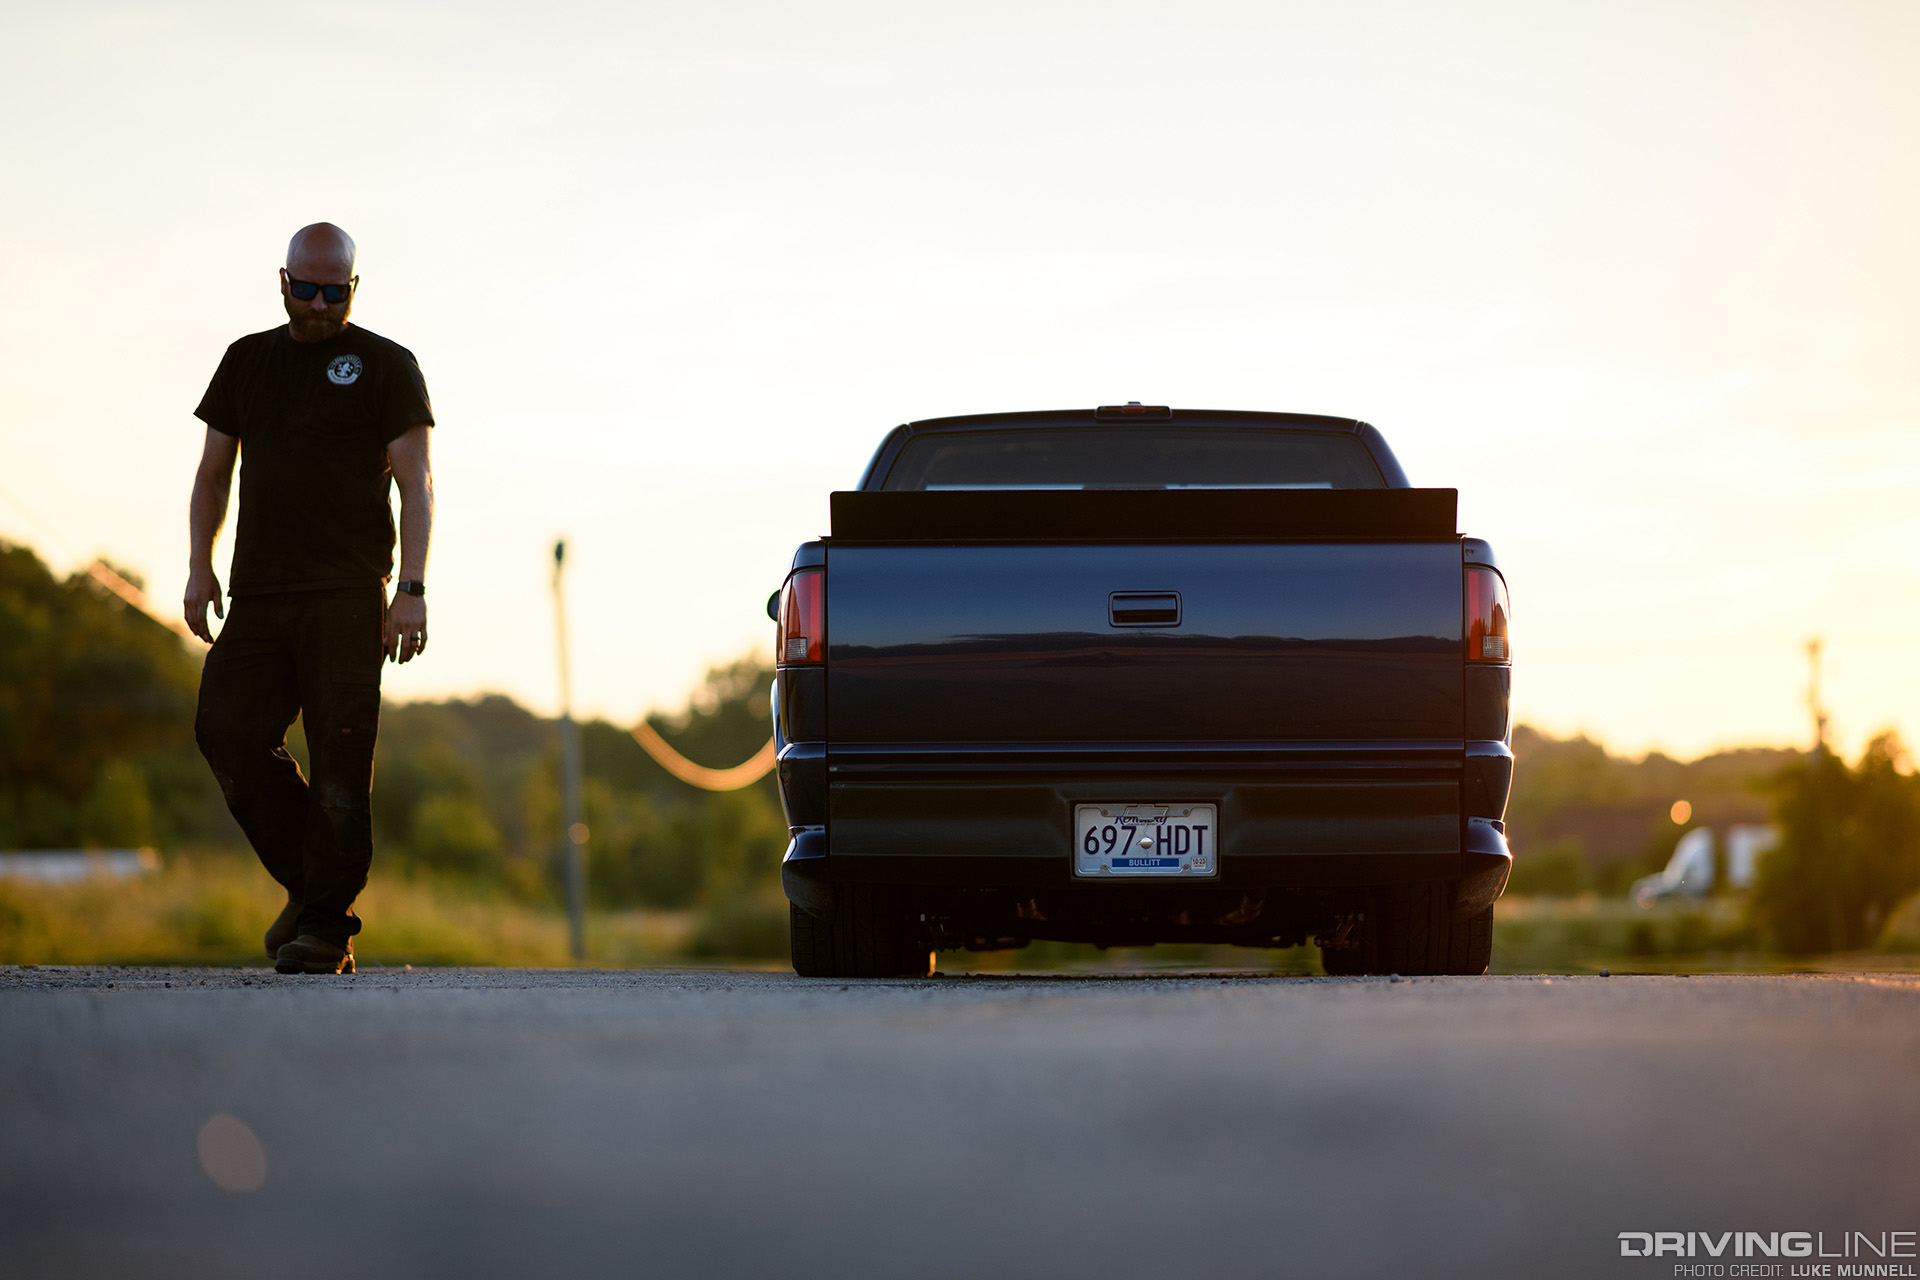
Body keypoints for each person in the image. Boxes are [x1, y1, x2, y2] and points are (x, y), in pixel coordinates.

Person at [184, 222, 435, 975]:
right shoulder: (246, 360)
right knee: (225, 731)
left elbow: (416, 481)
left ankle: (325, 930)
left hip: (349, 596)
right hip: (259, 593)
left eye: (335, 291)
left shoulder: (389, 366)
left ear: (353, 289)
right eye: (308, 288)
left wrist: (413, 589)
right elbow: (211, 474)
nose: (320, 304)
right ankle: (311, 889)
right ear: (284, 281)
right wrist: (200, 566)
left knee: (338, 765)